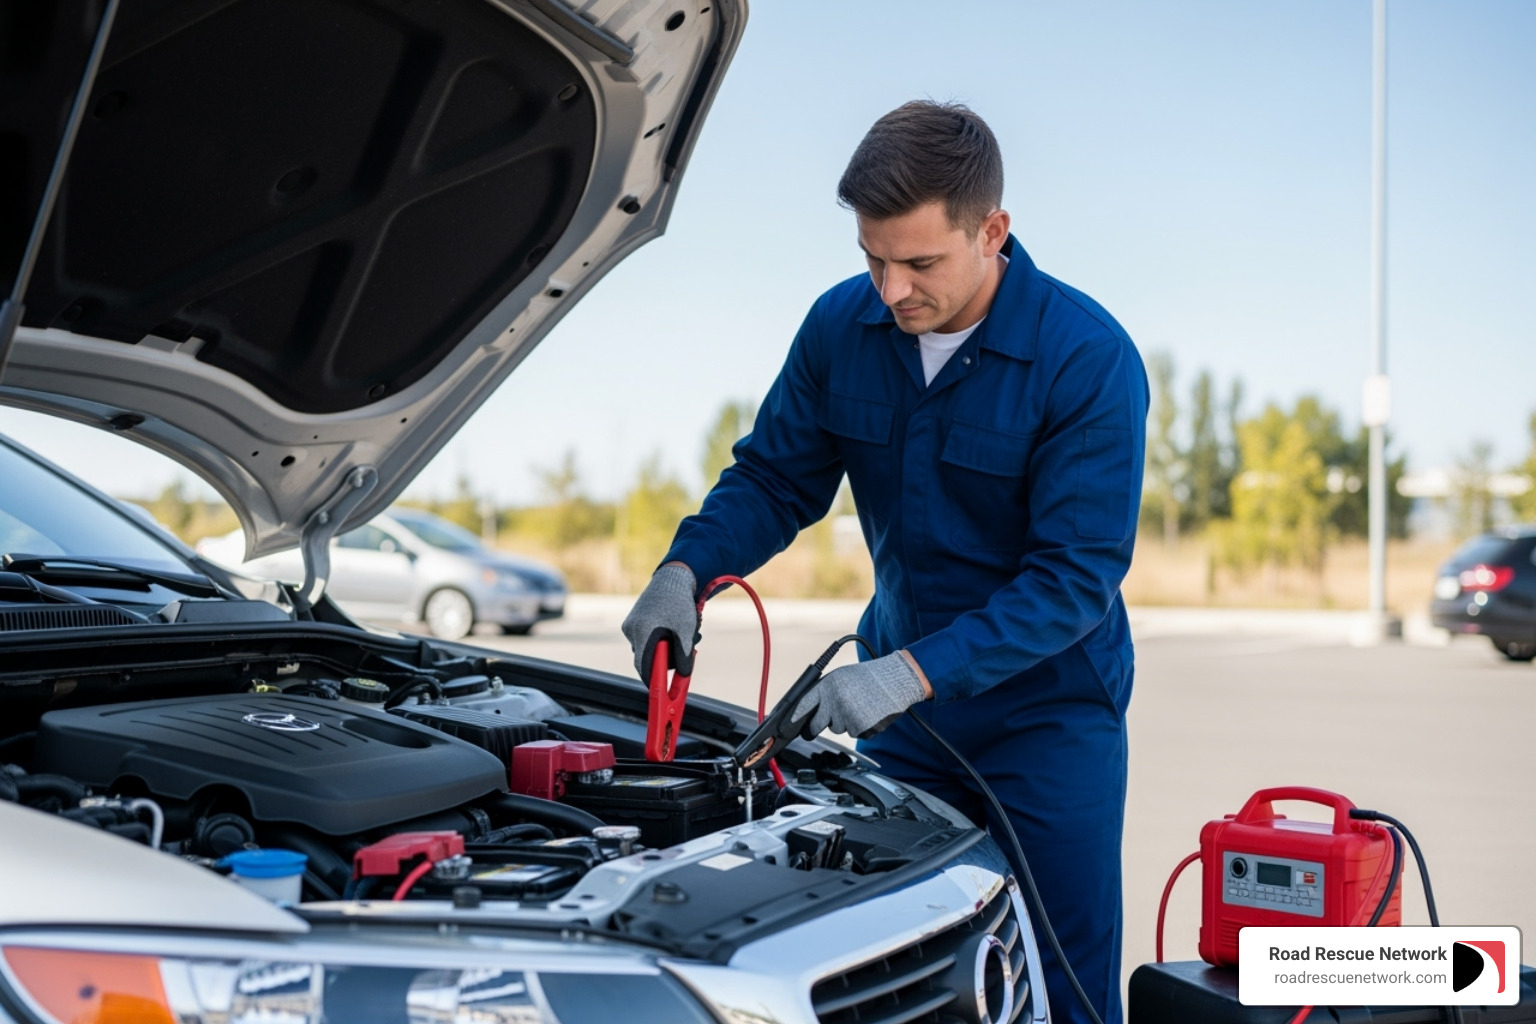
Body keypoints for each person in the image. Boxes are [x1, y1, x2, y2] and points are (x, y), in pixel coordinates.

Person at [622, 100, 1147, 1024]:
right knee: (895, 972)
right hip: (906, 731)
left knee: (1062, 985)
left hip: (1047, 723)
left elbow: (1073, 579)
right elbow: (776, 480)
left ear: (993, 232)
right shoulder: (841, 330)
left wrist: (910, 673)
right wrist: (685, 569)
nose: (892, 291)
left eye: (919, 263)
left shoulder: (1086, 358)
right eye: (872, 259)